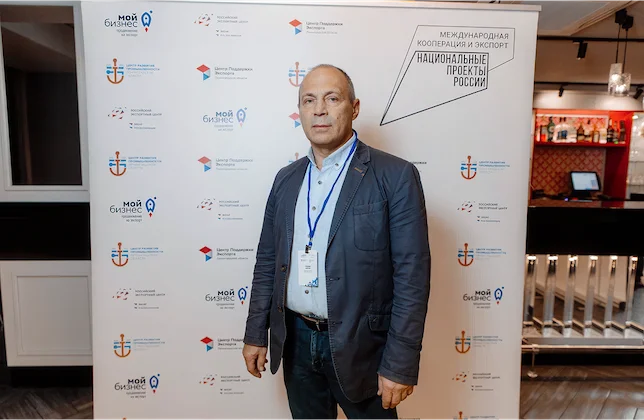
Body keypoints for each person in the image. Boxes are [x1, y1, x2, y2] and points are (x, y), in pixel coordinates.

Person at [242, 64, 431, 420]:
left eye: (332, 98)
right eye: (309, 100)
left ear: (354, 108)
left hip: (364, 347)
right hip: (296, 341)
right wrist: (255, 332)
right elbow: (267, 260)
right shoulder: (286, 180)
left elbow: (412, 278)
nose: (319, 109)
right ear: (299, 111)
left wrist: (401, 363)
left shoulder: (395, 176)